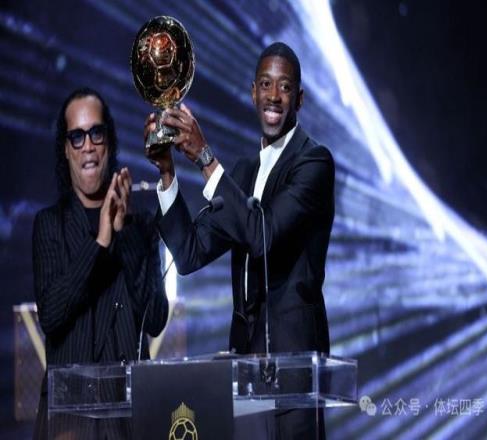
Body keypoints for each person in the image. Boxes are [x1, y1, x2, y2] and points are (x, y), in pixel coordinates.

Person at [148, 42, 334, 439]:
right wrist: (167, 173)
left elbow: (262, 235)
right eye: (265, 84)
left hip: (294, 368)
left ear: (299, 99)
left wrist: (204, 157)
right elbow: (190, 252)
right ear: (253, 92)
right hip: (243, 367)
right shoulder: (244, 173)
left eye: (285, 87)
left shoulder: (313, 163)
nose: (274, 95)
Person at [33, 87, 169, 439]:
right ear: (65, 150)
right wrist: (101, 242)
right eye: (76, 137)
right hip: (70, 422)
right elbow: (51, 315)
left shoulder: (141, 226)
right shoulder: (50, 225)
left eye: (96, 133)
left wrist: (124, 237)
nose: (88, 146)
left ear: (109, 140)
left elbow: (156, 319)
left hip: (131, 421)